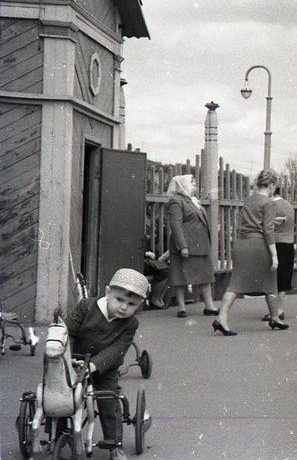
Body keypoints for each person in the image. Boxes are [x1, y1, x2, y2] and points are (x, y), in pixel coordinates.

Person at [64, 268, 150, 460]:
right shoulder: (87, 307)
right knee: (63, 398)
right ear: (108, 292)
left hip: (104, 368)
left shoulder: (130, 324)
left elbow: (118, 349)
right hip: (75, 361)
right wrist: (68, 358)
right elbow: (68, 332)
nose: (124, 307)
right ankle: (60, 434)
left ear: (139, 305)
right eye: (119, 300)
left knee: (109, 400)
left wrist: (95, 365)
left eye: (131, 304)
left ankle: (114, 445)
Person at [213, 169, 287, 335]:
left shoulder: (249, 200)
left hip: (242, 244)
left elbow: (251, 221)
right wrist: (274, 255)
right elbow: (268, 231)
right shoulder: (269, 203)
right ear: (272, 185)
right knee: (270, 282)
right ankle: (275, 317)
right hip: (258, 246)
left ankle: (221, 318)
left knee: (235, 284)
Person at [165, 175, 219, 318]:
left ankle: (209, 306)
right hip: (186, 246)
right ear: (183, 185)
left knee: (205, 276)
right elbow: (175, 225)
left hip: (200, 245)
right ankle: (181, 308)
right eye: (192, 183)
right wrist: (182, 246)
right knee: (180, 276)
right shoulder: (176, 201)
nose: (195, 186)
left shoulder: (192, 200)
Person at [263, 187, 295, 323]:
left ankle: (276, 311)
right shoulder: (288, 205)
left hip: (275, 243)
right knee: (284, 276)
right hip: (288, 243)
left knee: (274, 278)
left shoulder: (271, 205)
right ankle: (280, 309)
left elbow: (266, 226)